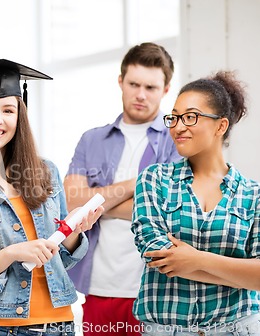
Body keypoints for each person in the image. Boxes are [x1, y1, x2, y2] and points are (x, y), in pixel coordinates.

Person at [0, 59, 104, 336]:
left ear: (19, 116)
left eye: (8, 110)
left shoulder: (47, 172)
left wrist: (74, 232)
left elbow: (59, 260)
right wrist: (9, 254)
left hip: (59, 327)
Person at [64, 42, 180, 335]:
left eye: (151, 87)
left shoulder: (177, 141)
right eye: (134, 84)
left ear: (165, 89)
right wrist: (141, 182)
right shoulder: (91, 140)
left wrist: (98, 201)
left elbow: (170, 213)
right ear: (120, 82)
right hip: (99, 287)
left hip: (156, 291)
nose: (141, 94)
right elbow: (72, 202)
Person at [132, 71, 260, 335]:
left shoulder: (253, 194)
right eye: (174, 117)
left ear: (220, 126)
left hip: (238, 328)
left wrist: (195, 259)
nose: (178, 126)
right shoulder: (154, 179)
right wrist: (240, 274)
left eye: (190, 117)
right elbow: (159, 257)